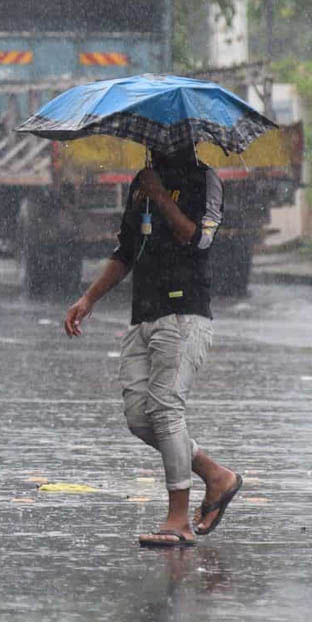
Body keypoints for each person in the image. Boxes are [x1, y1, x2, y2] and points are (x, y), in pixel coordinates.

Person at [63, 144, 242, 548]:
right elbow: (126, 251)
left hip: (183, 314)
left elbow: (198, 239)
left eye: (169, 136)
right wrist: (88, 299)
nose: (158, 145)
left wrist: (161, 195)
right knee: (139, 418)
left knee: (165, 408)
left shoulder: (204, 179)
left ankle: (177, 518)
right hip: (143, 314)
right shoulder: (139, 183)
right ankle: (216, 476)